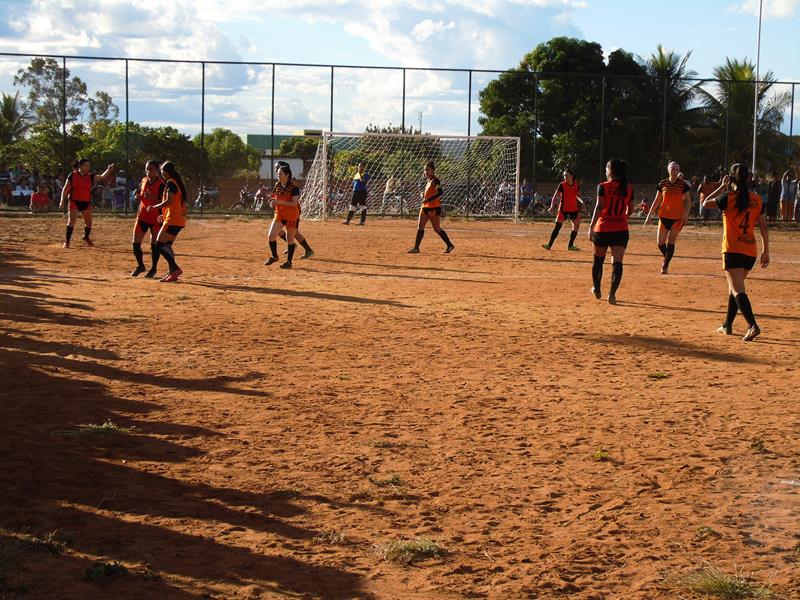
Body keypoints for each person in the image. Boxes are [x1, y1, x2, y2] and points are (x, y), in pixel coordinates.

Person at [701, 163, 769, 342]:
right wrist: (766, 250)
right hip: (750, 251)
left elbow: (704, 203)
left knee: (737, 289)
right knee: (733, 287)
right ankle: (727, 325)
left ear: (731, 179)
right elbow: (763, 226)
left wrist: (722, 187)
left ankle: (752, 325)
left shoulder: (728, 197)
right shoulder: (757, 198)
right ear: (748, 179)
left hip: (733, 250)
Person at [588, 158, 634, 305]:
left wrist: (591, 226)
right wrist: (621, 218)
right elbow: (631, 209)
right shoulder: (628, 187)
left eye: (606, 168)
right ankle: (612, 294)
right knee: (618, 262)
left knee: (598, 261)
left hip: (603, 228)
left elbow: (599, 207)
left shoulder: (602, 186)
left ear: (611, 171)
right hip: (620, 230)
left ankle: (597, 288)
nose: (605, 171)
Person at [644, 161, 691, 274]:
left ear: (679, 171)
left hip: (677, 218)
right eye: (672, 169)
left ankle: (665, 265)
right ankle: (667, 257)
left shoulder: (683, 185)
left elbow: (688, 201)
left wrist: (685, 214)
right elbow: (657, 200)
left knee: (671, 241)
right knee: (660, 242)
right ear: (668, 170)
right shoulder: (662, 184)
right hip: (664, 216)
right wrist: (649, 215)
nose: (674, 171)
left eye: (676, 169)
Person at [59, 158, 115, 248]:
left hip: (86, 202)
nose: (87, 167)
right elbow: (65, 188)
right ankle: (67, 242)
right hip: (74, 201)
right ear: (80, 166)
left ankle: (86, 236)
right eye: (86, 165)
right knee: (71, 221)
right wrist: (62, 200)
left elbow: (101, 177)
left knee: (89, 223)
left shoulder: (90, 176)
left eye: (88, 166)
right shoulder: (72, 175)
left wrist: (108, 170)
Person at [147, 161, 187, 282]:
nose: (161, 174)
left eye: (163, 172)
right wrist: (163, 215)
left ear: (167, 172)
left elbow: (169, 201)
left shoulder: (171, 183)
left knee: (159, 244)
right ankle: (172, 272)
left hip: (173, 220)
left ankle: (175, 269)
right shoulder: (176, 183)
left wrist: (154, 207)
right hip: (177, 219)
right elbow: (174, 203)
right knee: (167, 245)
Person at [407, 161, 454, 254]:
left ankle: (450, 245)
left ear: (433, 171)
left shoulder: (435, 181)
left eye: (428, 169)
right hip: (425, 207)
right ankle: (416, 248)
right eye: (425, 170)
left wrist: (428, 200)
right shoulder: (428, 181)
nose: (426, 171)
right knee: (420, 227)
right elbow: (429, 194)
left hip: (434, 208)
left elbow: (440, 192)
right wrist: (423, 195)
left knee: (437, 229)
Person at [130, 160, 165, 278]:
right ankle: (140, 266)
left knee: (154, 244)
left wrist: (153, 200)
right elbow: (140, 192)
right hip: (142, 216)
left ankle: (153, 268)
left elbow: (165, 202)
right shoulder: (144, 180)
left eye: (151, 169)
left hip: (156, 218)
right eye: (147, 169)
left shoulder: (161, 184)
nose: (148, 171)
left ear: (157, 171)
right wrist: (137, 196)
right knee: (135, 243)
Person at [272, 161, 314, 259]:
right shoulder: (280, 182)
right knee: (279, 231)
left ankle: (306, 249)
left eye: (277, 167)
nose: (276, 170)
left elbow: (292, 199)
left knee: (294, 232)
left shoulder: (290, 182)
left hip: (293, 210)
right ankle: (293, 245)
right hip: (283, 210)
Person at [264, 164, 302, 269]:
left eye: (280, 174)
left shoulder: (294, 188)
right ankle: (275, 256)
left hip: (291, 216)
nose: (278, 175)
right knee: (271, 236)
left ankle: (289, 262)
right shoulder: (278, 185)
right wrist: (272, 201)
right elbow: (273, 197)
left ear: (287, 175)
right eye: (278, 173)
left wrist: (279, 202)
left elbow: (294, 203)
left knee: (290, 240)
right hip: (280, 214)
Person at [542, 168, 582, 251]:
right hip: (563, 208)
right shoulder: (562, 185)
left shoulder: (576, 185)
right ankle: (549, 245)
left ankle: (570, 246)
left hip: (573, 208)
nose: (565, 177)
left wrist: (582, 203)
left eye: (567, 175)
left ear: (572, 176)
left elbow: (577, 195)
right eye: (564, 175)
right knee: (557, 227)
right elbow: (555, 196)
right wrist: (552, 206)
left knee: (576, 225)